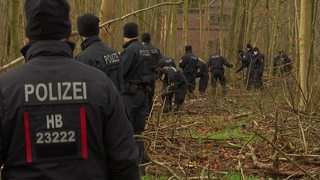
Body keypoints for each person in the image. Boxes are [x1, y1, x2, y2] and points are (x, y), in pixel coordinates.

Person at [0, 0, 140, 179]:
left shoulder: (6, 89)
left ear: (28, 34)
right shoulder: (101, 85)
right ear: (68, 32)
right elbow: (125, 161)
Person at [120, 22, 152, 169]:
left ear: (125, 35)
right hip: (144, 93)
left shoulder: (129, 51)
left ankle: (131, 163)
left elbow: (122, 73)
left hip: (130, 95)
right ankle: (142, 162)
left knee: (128, 130)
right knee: (139, 130)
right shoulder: (145, 50)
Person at [75, 13, 124, 91]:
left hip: (98, 102)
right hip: (117, 100)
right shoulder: (115, 54)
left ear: (80, 32)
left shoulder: (84, 59)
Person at [140, 32, 162, 114]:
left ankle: (144, 113)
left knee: (144, 94)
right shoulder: (156, 49)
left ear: (142, 39)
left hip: (143, 76)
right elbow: (160, 61)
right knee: (151, 94)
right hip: (153, 76)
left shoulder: (141, 49)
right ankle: (149, 112)